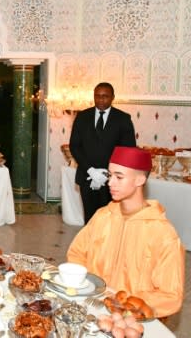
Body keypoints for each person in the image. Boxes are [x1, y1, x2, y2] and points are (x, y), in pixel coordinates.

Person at [67, 146, 185, 317]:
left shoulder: (162, 233)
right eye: (110, 175)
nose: (110, 182)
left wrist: (123, 304)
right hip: (92, 307)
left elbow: (170, 296)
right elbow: (77, 253)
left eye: (119, 177)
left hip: (132, 320)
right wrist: (89, 285)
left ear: (140, 180)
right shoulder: (103, 216)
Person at [69, 82, 136, 224]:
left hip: (113, 180)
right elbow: (74, 146)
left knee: (111, 218)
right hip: (87, 177)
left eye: (105, 96)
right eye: (97, 96)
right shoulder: (82, 117)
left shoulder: (123, 119)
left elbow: (128, 150)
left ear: (113, 97)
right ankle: (90, 245)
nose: (100, 99)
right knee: (90, 218)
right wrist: (91, 170)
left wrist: (108, 173)